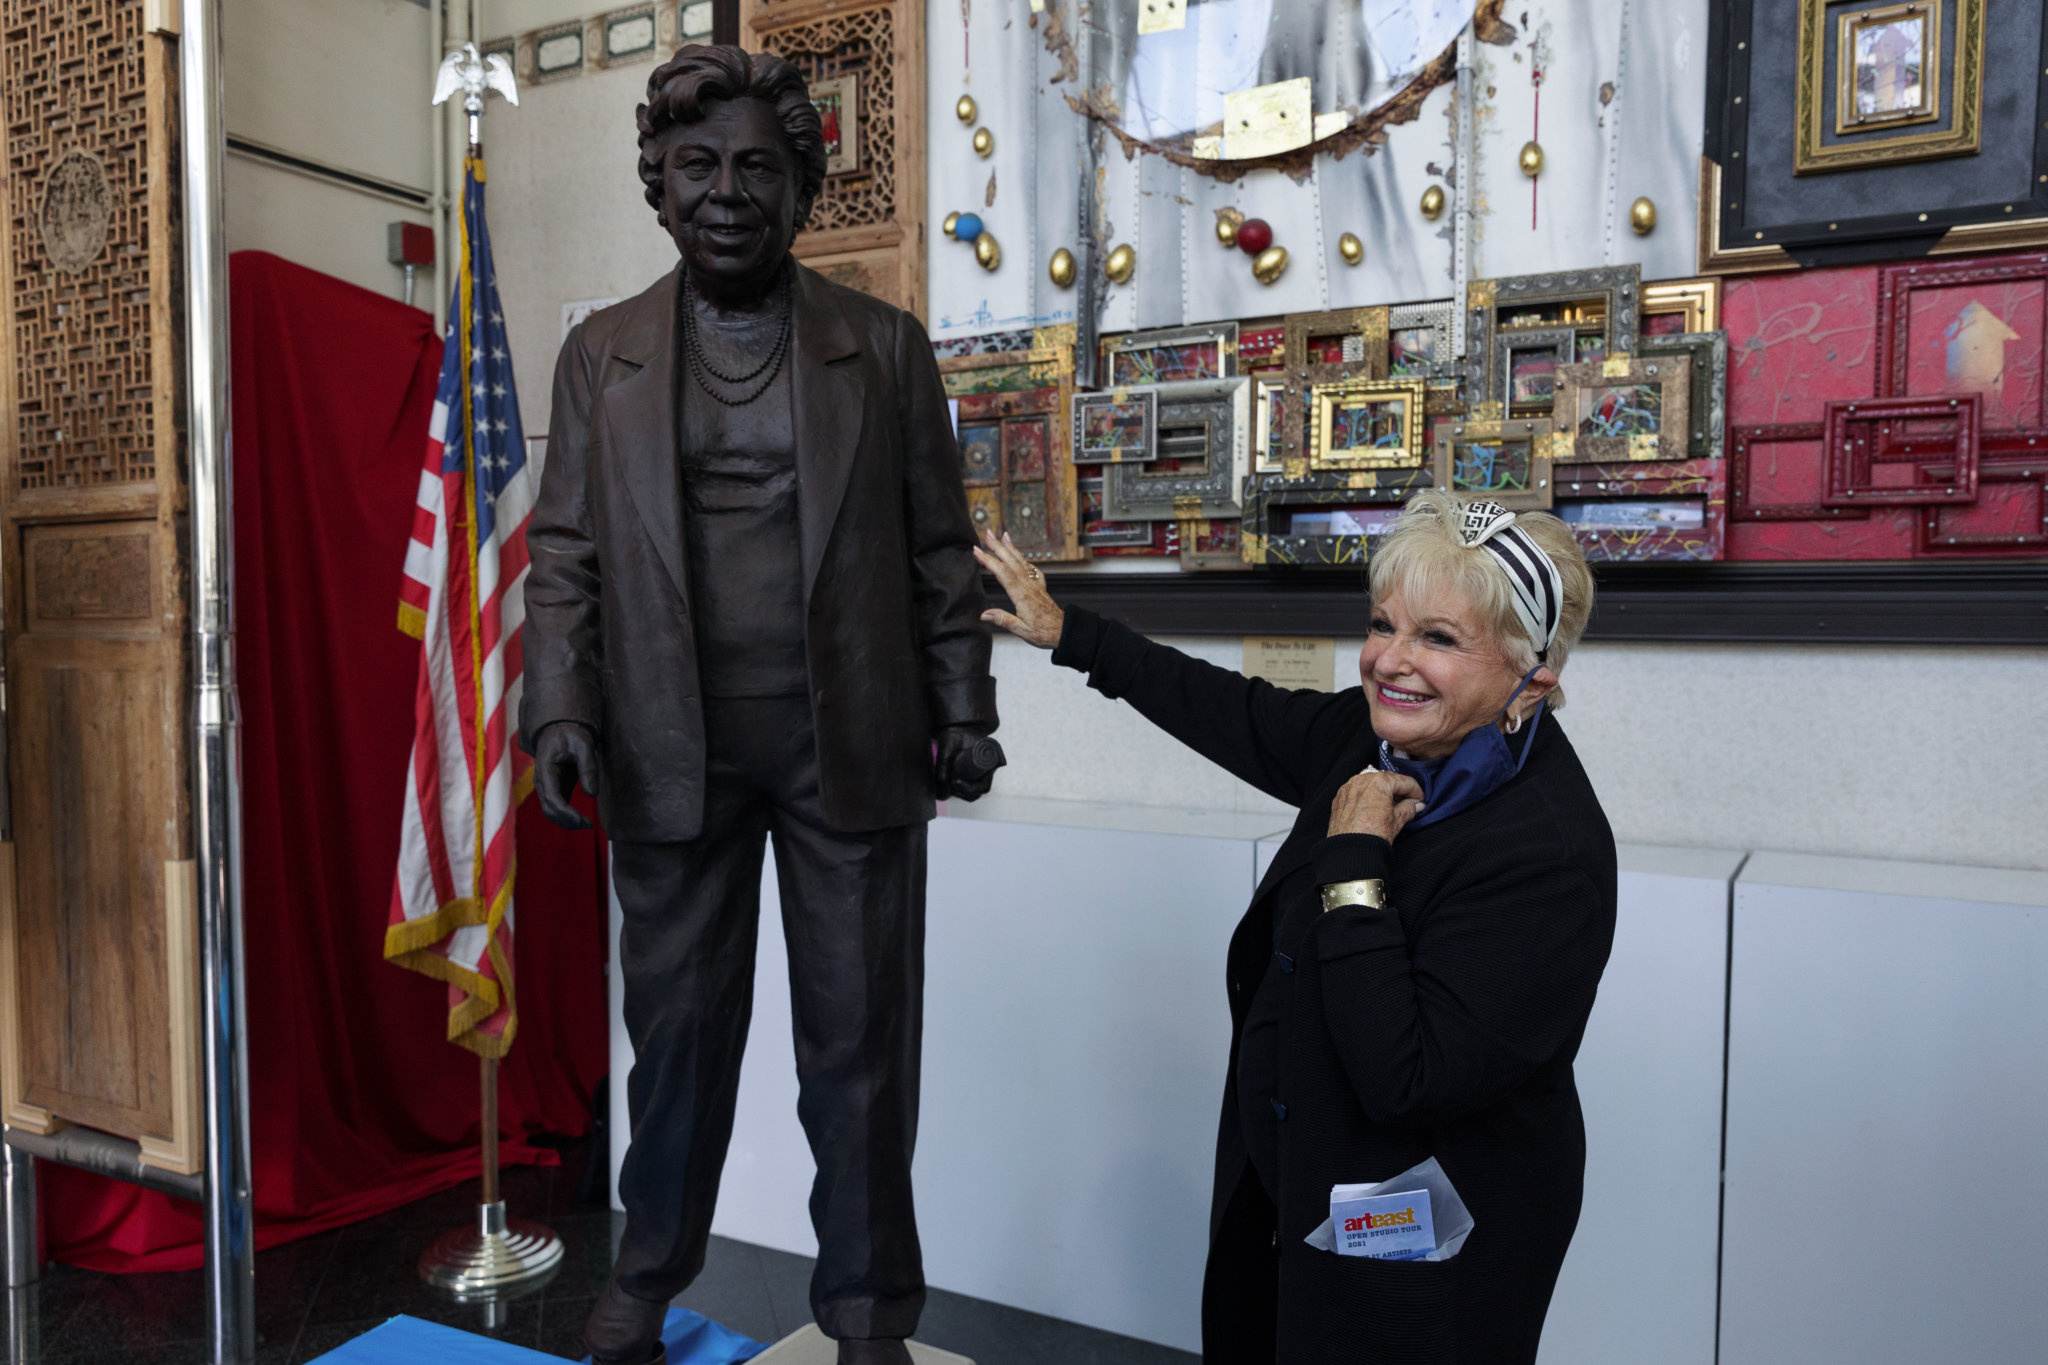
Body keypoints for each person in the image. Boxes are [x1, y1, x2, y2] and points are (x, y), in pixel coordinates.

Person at [520, 44, 998, 1365]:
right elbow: (563, 552)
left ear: (801, 189)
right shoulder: (599, 358)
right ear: (656, 185)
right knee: (674, 1042)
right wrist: (558, 704)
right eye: (695, 166)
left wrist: (966, 705)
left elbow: (935, 553)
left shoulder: (885, 353)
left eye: (756, 168)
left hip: (848, 738)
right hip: (668, 743)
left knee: (856, 1049)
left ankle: (863, 1316)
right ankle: (647, 1273)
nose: (725, 192)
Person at [977, 491, 1616, 1363]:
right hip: (1295, 1193)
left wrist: (1355, 857)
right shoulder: (1373, 740)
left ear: (1531, 676)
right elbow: (1232, 709)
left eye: (1438, 637)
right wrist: (1070, 633)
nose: (1389, 659)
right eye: (1383, 623)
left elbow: (1408, 1077)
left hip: (1434, 1237)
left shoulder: (1547, 854)